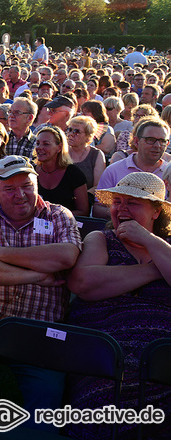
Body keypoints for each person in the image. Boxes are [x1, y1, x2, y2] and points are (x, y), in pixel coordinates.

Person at [0, 155, 81, 425]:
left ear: (37, 183)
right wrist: (37, 274)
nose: (20, 195)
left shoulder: (59, 214)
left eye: (27, 186)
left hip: (39, 329)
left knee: (47, 398)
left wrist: (0, 252)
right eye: (10, 189)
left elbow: (66, 256)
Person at [66, 172, 171, 439]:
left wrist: (148, 240)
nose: (121, 209)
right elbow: (83, 283)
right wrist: (154, 271)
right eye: (117, 202)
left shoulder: (166, 247)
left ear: (156, 211)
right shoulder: (101, 240)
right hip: (107, 357)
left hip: (163, 361)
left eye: (132, 203)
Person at [96, 117, 169, 218]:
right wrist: (124, 214)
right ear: (136, 141)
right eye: (150, 140)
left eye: (162, 141)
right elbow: (98, 208)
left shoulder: (169, 173)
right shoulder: (114, 170)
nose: (157, 145)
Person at [33, 125, 89, 216]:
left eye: (46, 144)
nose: (39, 147)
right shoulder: (31, 172)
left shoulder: (73, 174)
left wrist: (55, 216)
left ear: (59, 148)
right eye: (38, 143)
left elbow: (83, 212)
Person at [66, 116, 106, 195]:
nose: (71, 134)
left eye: (77, 131)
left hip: (86, 199)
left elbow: (98, 186)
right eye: (69, 130)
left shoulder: (96, 155)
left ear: (88, 137)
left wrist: (80, 198)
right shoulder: (61, 152)